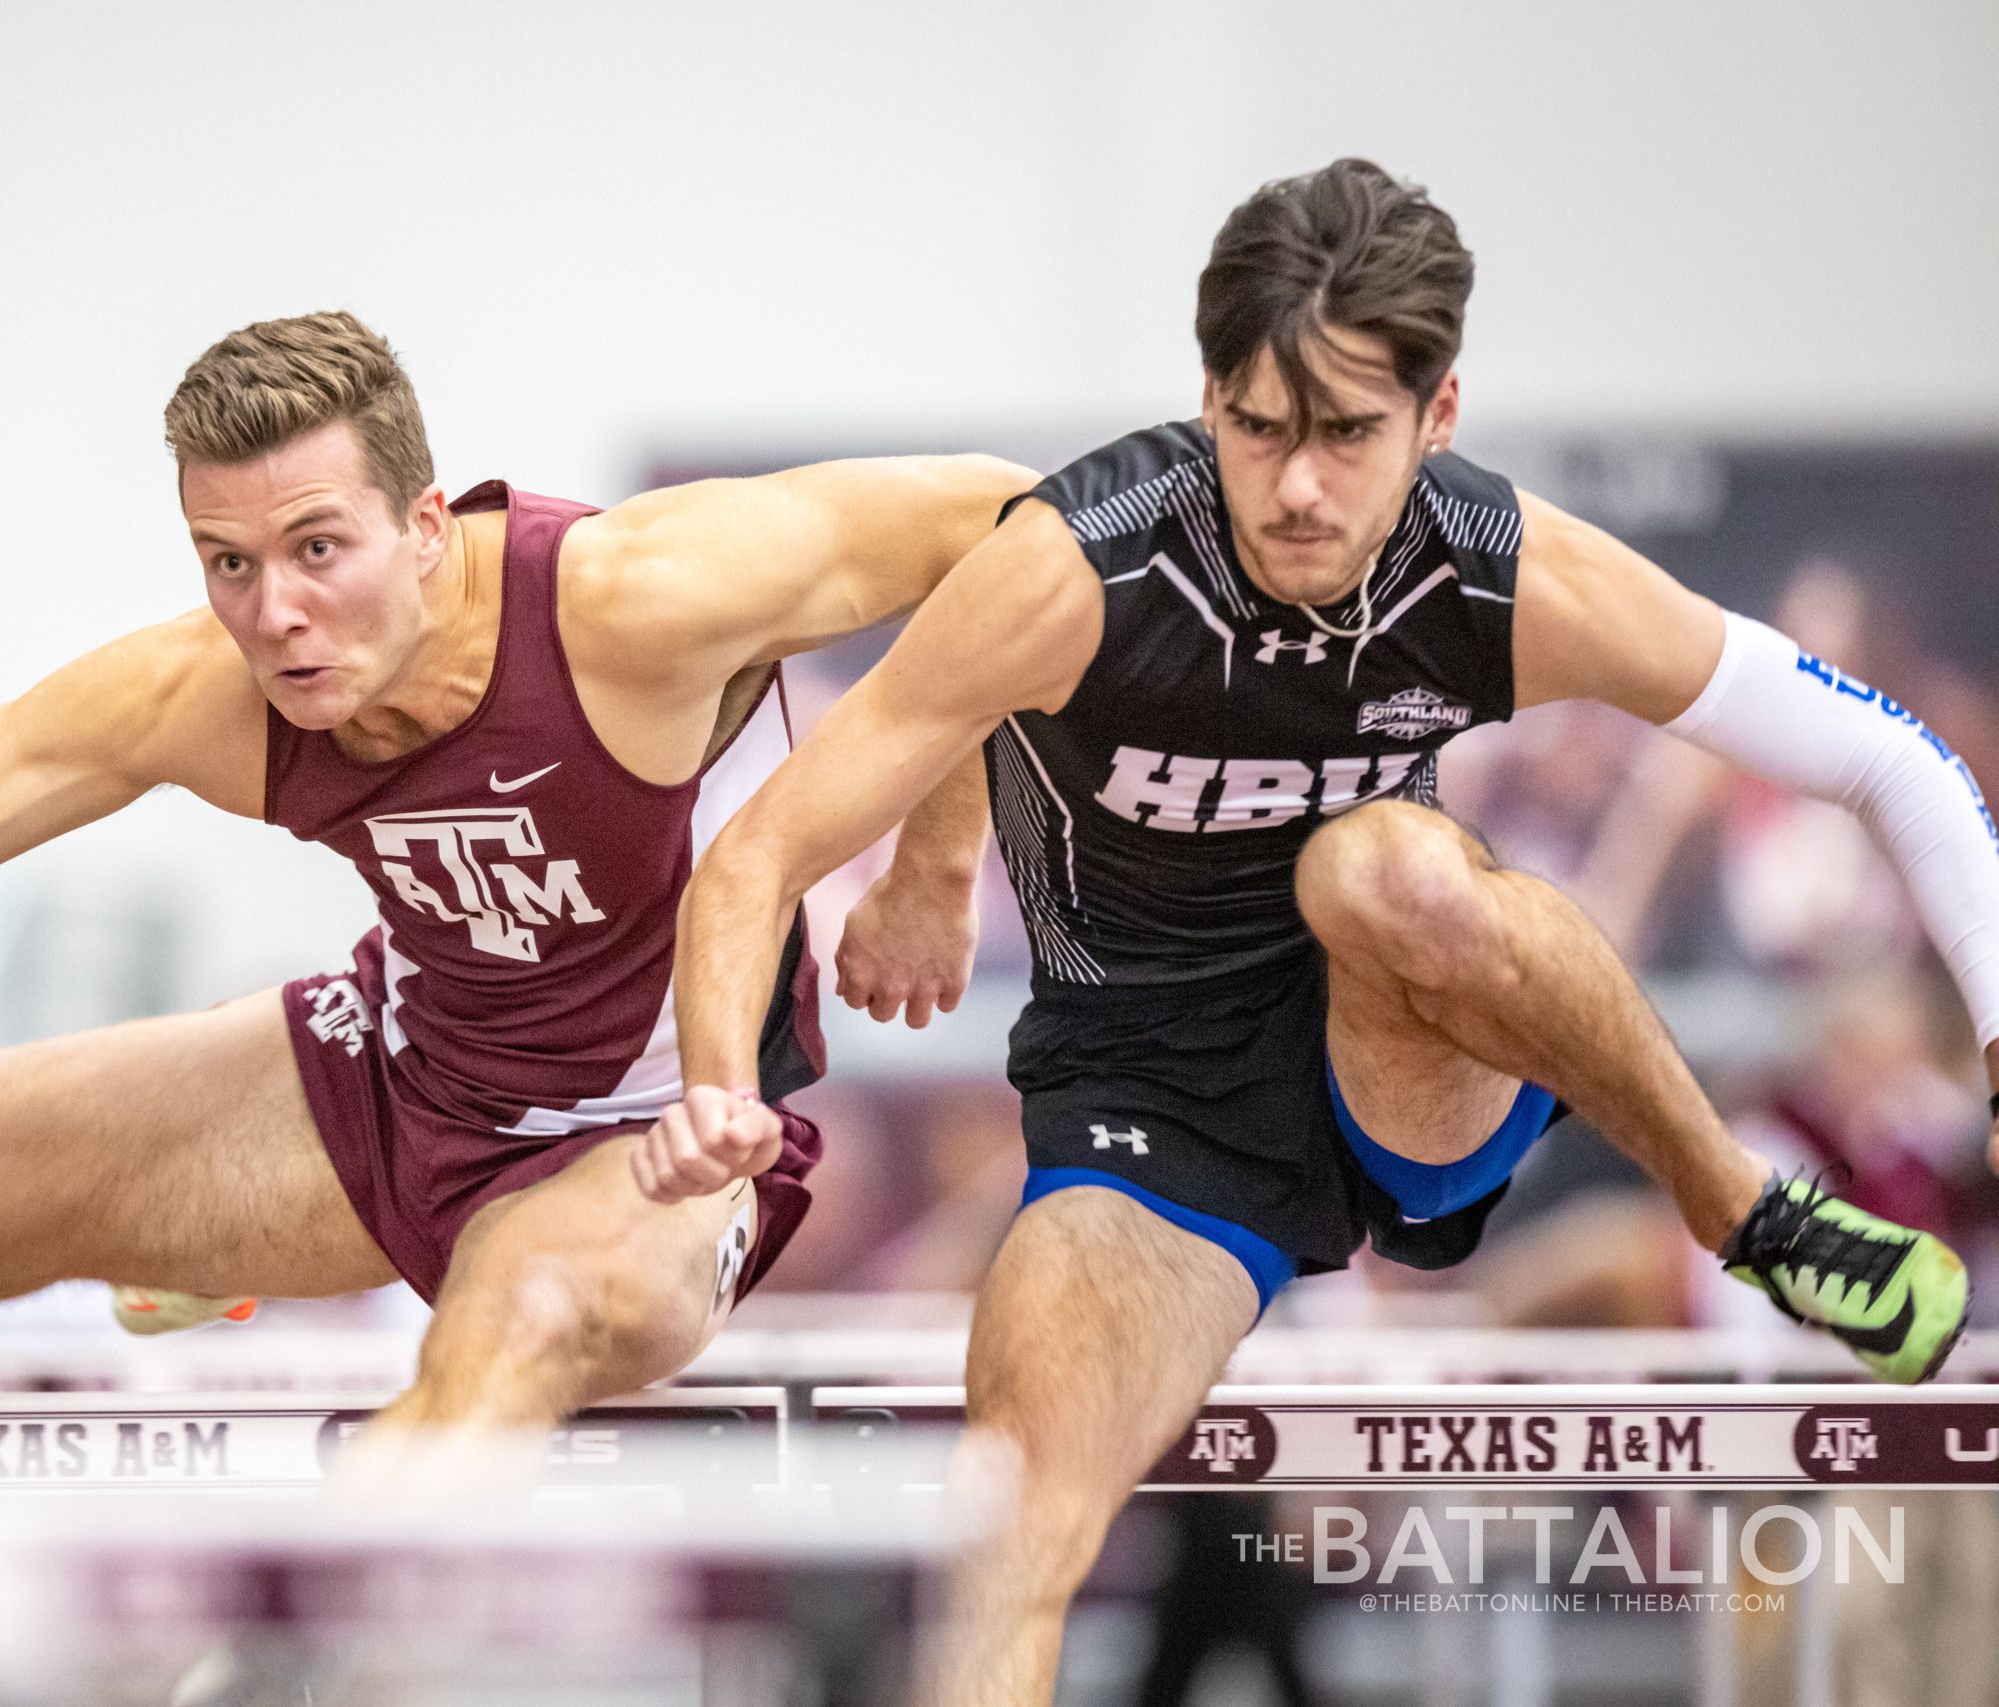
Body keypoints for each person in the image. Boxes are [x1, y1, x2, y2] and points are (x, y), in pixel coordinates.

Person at [643, 160, 1998, 1704]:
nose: (1296, 487)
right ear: (1209, 398)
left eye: (1349, 434)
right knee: (1006, 1543)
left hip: (1400, 1043)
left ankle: (1747, 1212)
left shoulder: (1500, 572)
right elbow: (754, 856)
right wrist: (714, 1096)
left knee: (1374, 869)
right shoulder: (1079, 566)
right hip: (1149, 1110)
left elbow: (1892, 760)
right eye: (1261, 427)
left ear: (1439, 416)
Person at [0, 311, 1014, 1447]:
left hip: (652, 1144)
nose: (279, 616)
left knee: (516, 1321)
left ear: (427, 527)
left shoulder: (631, 599)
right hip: (400, 1080)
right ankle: (208, 1254)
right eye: (228, 564)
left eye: (319, 549)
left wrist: (934, 867)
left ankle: (315, 1616)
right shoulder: (207, 694)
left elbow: (1007, 526)